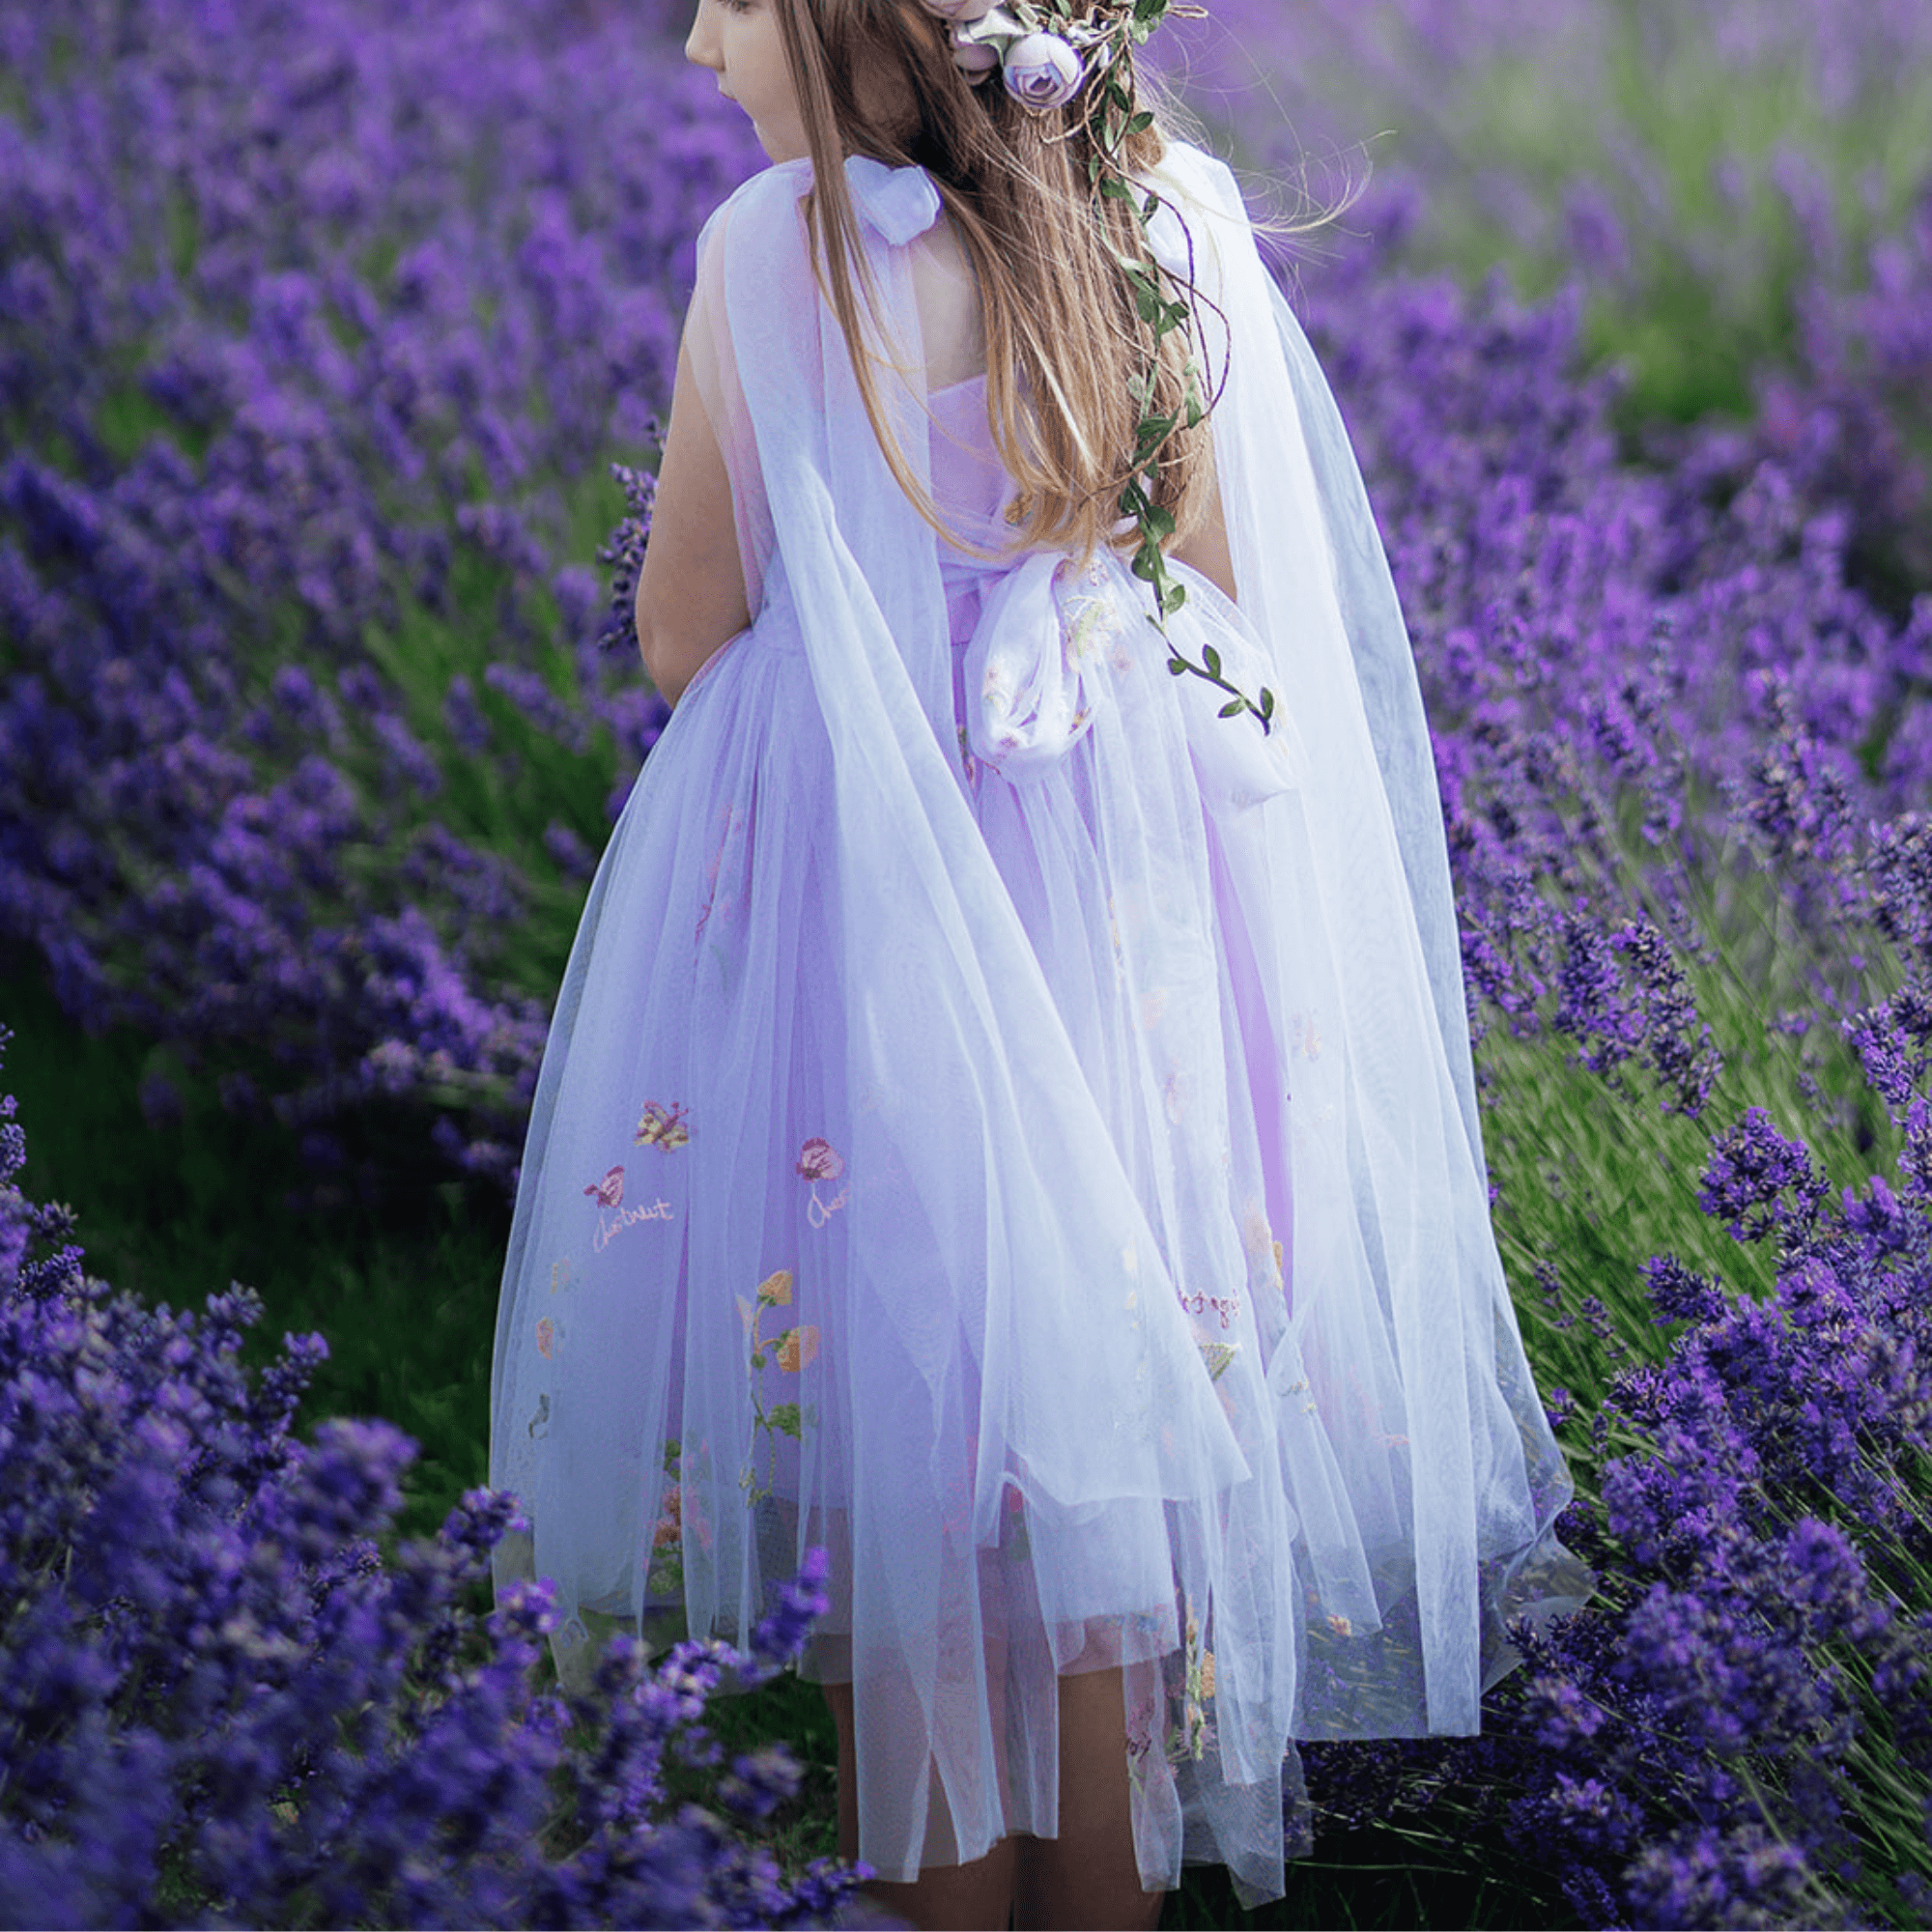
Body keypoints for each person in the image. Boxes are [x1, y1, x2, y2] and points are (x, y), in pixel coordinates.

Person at [489, 2, 1587, 1926]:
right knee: (1102, 1495)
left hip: (875, 948)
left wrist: (869, 655)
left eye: (731, 3)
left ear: (858, 28)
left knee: (911, 1464)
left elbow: (681, 626)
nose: (697, 47)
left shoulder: (776, 252)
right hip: (1125, 954)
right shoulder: (1162, 222)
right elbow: (1225, 607)